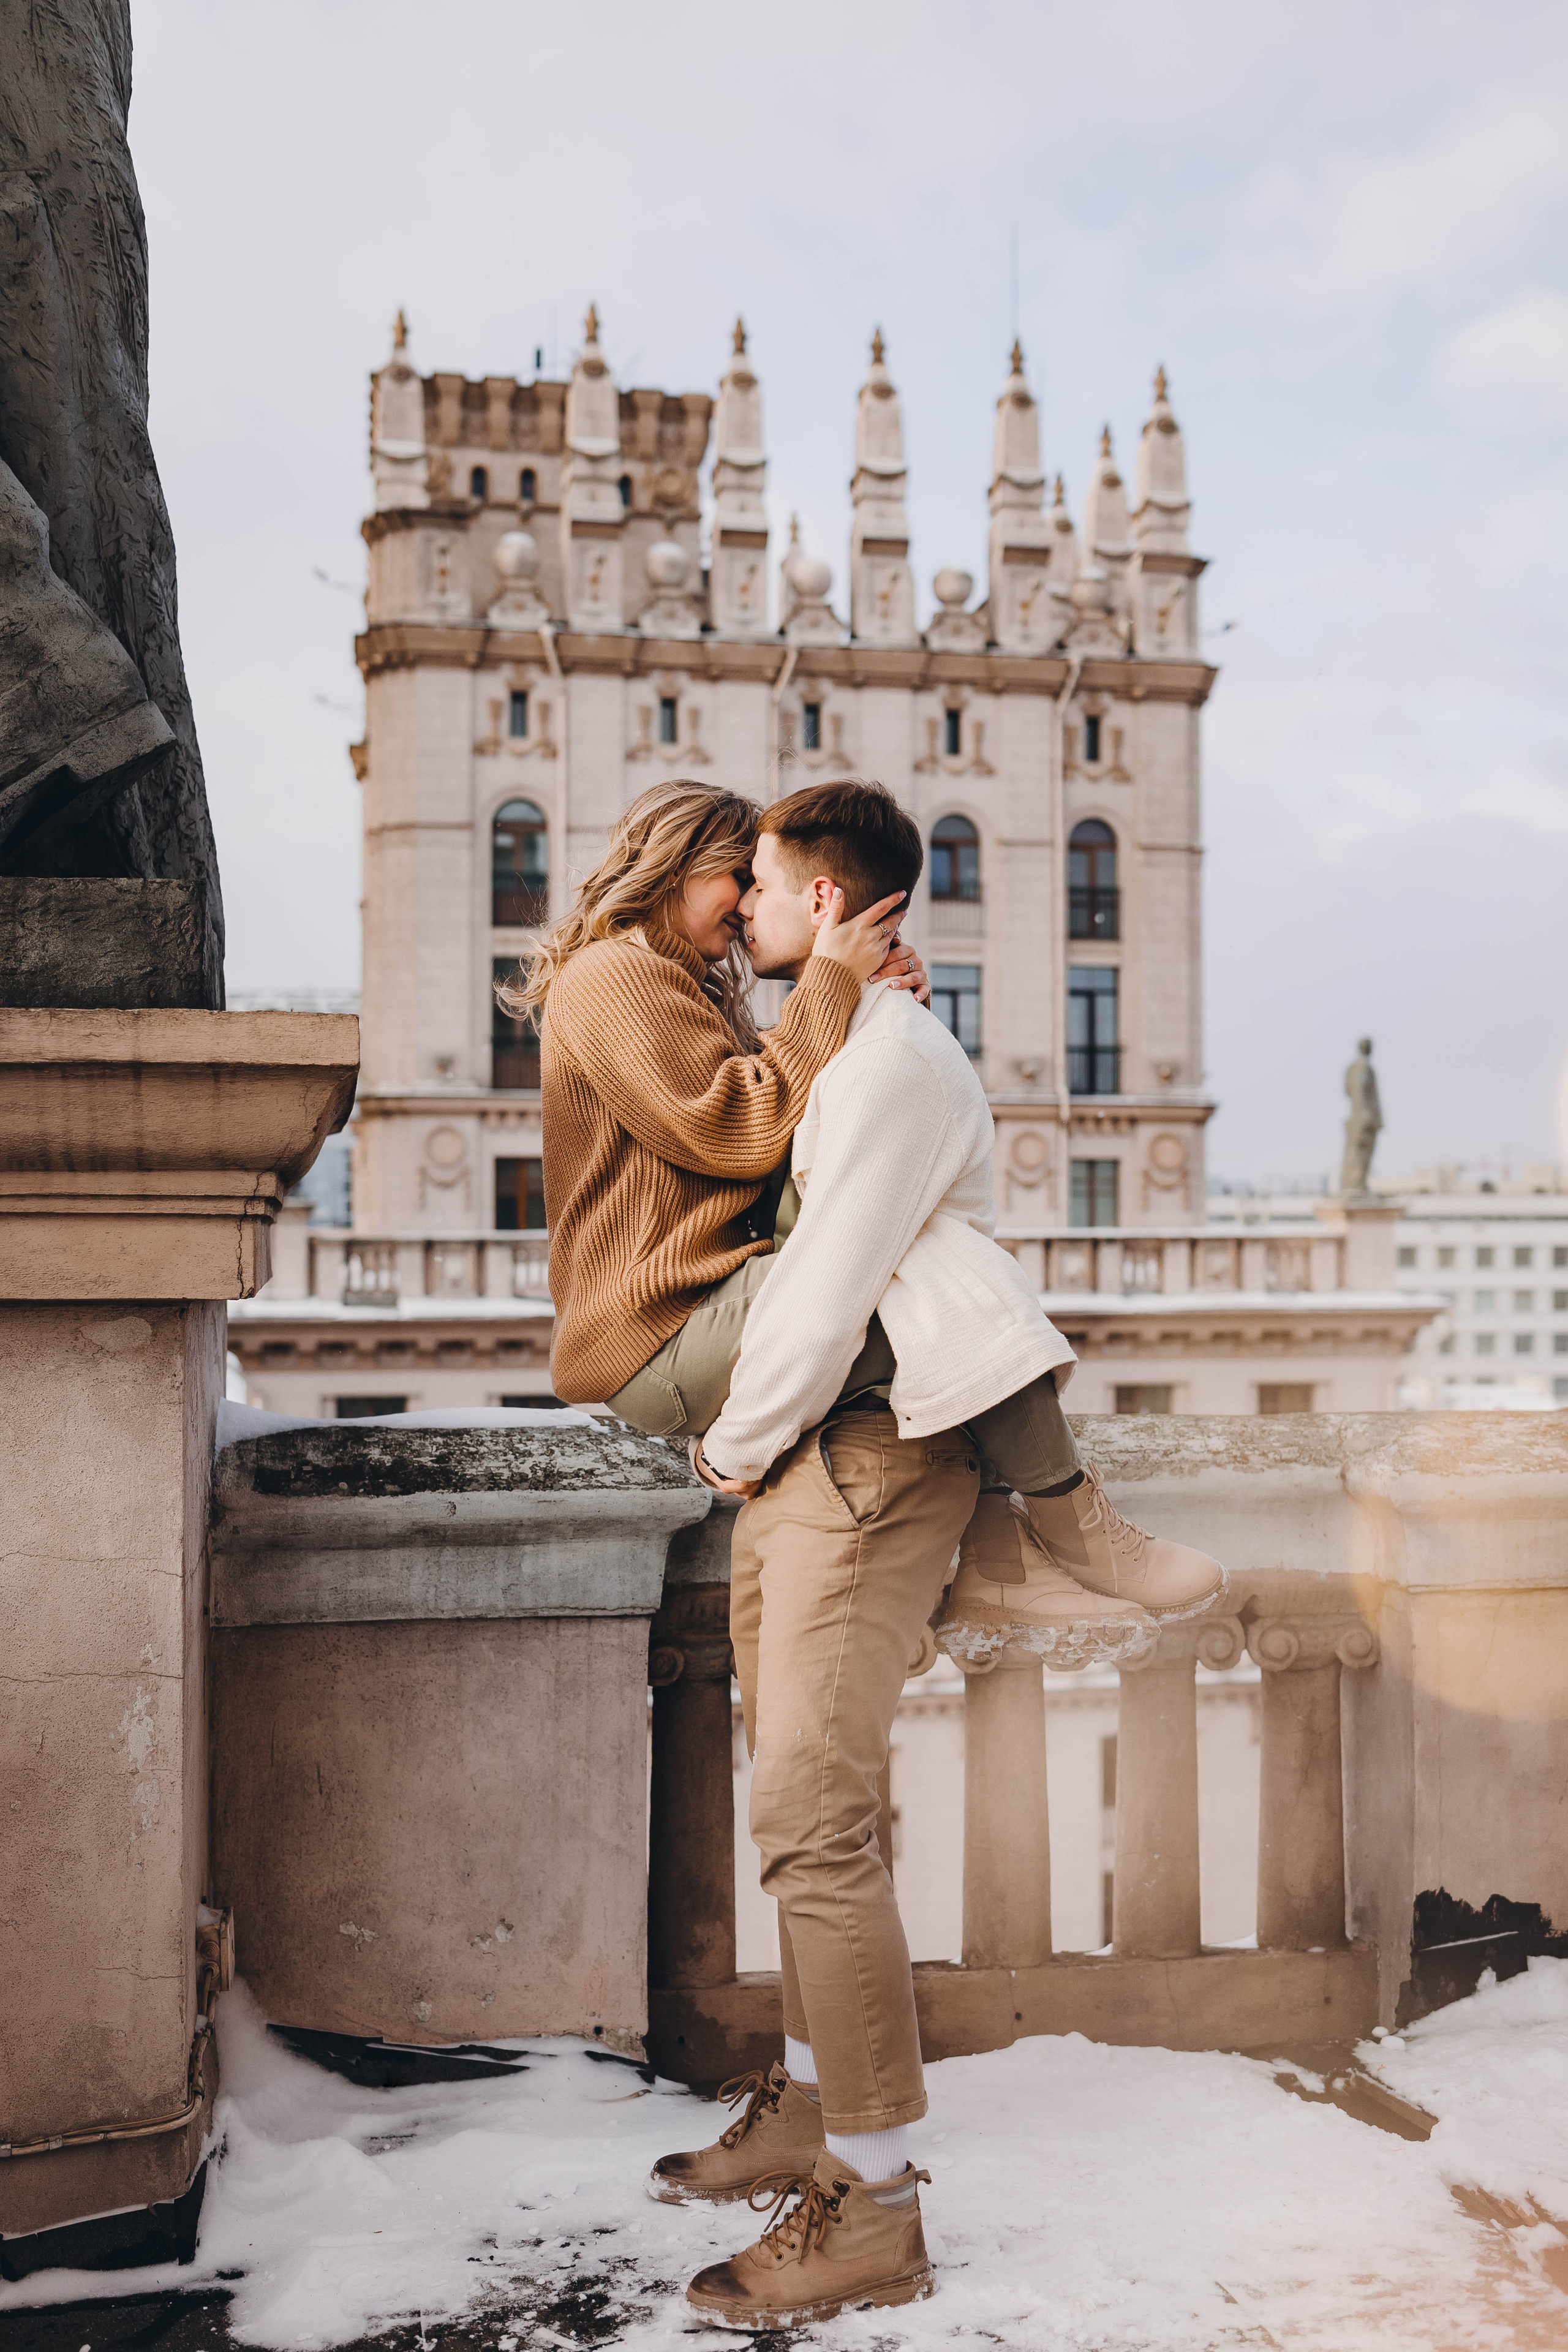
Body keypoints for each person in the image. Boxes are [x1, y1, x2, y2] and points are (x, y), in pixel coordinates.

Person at [518, 776, 1225, 2326]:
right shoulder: (632, 979)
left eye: (764, 885)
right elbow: (746, 1142)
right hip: (748, 1400)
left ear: (818, 894)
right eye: (735, 881)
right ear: (685, 872)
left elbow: (818, 1250)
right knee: (809, 1818)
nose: (745, 912)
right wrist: (829, 986)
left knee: (811, 1822)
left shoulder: (853, 1039)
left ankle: (866, 2187)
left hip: (830, 1450)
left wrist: (832, 995)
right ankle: (1043, 1516)